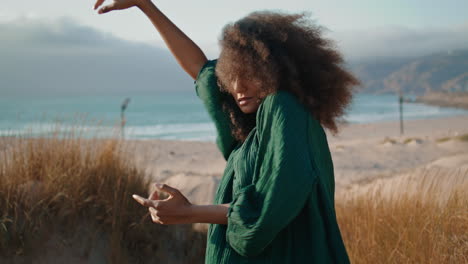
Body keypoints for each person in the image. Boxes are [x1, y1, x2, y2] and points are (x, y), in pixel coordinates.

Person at [93, 0, 360, 263]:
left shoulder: (285, 108)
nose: (238, 85)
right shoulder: (250, 131)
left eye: (250, 72)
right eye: (231, 73)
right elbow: (200, 70)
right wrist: (145, 5)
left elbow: (267, 208)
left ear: (278, 70)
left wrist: (189, 212)